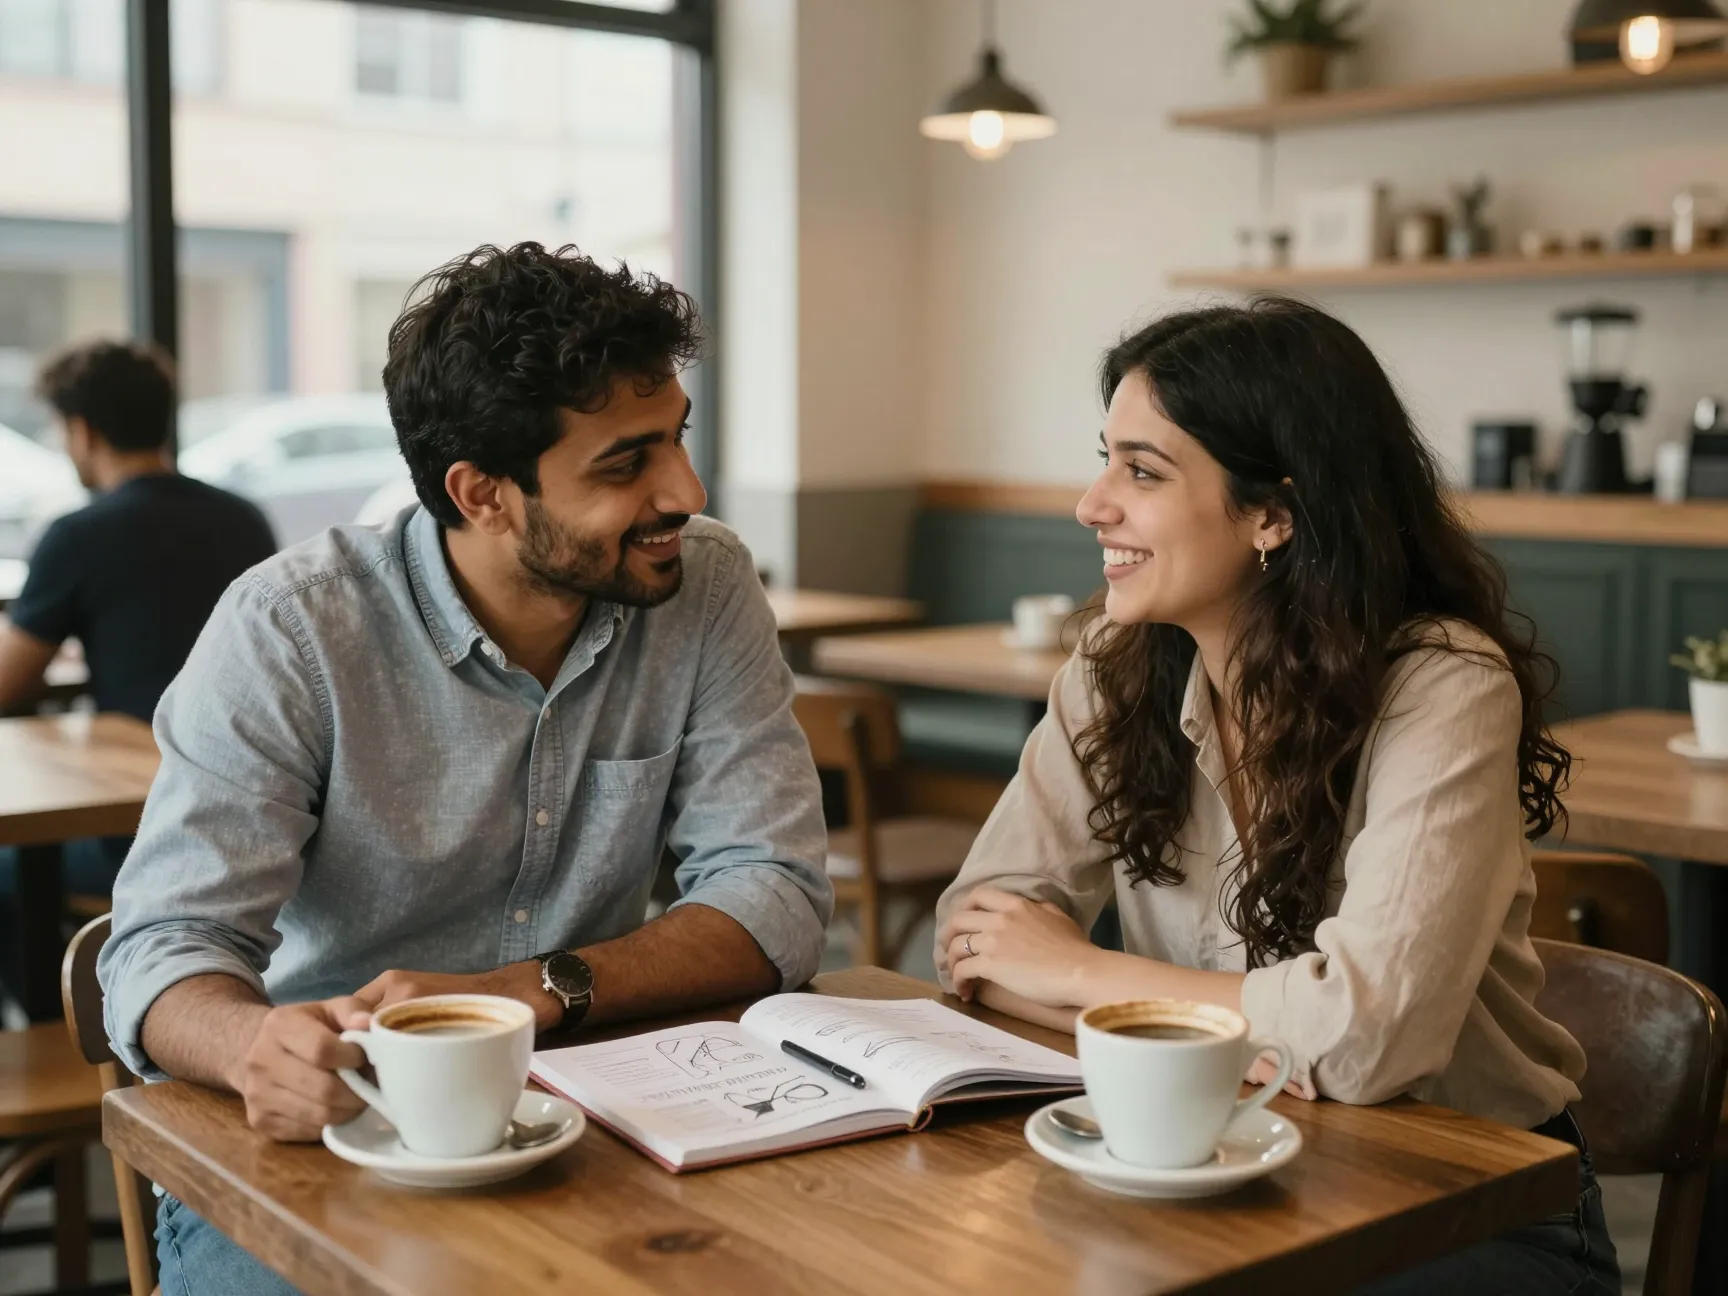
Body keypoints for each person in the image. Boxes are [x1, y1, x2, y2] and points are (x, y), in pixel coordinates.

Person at [98, 243, 833, 1294]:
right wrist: (252, 1043)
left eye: (675, 437)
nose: (687, 489)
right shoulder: (292, 630)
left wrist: (526, 994)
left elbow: (777, 895)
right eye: (626, 465)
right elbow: (165, 946)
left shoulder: (704, 585)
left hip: (614, 1116)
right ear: (481, 494)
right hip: (333, 1139)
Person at [933, 298, 1619, 1294]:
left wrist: (1077, 972)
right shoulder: (1111, 671)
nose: (1091, 504)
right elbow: (974, 932)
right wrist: (1263, 1026)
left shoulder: (1441, 684)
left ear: (1274, 513)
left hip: (1469, 1205)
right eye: (1105, 458)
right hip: (1200, 1169)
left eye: (1141, 470)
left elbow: (1368, 1038)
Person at [0, 342, 276, 995]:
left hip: (145, 837)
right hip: (257, 823)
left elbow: (7, 683)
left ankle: (51, 1039)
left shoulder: (80, 534)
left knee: (10, 871)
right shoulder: (244, 520)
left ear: (83, 430)